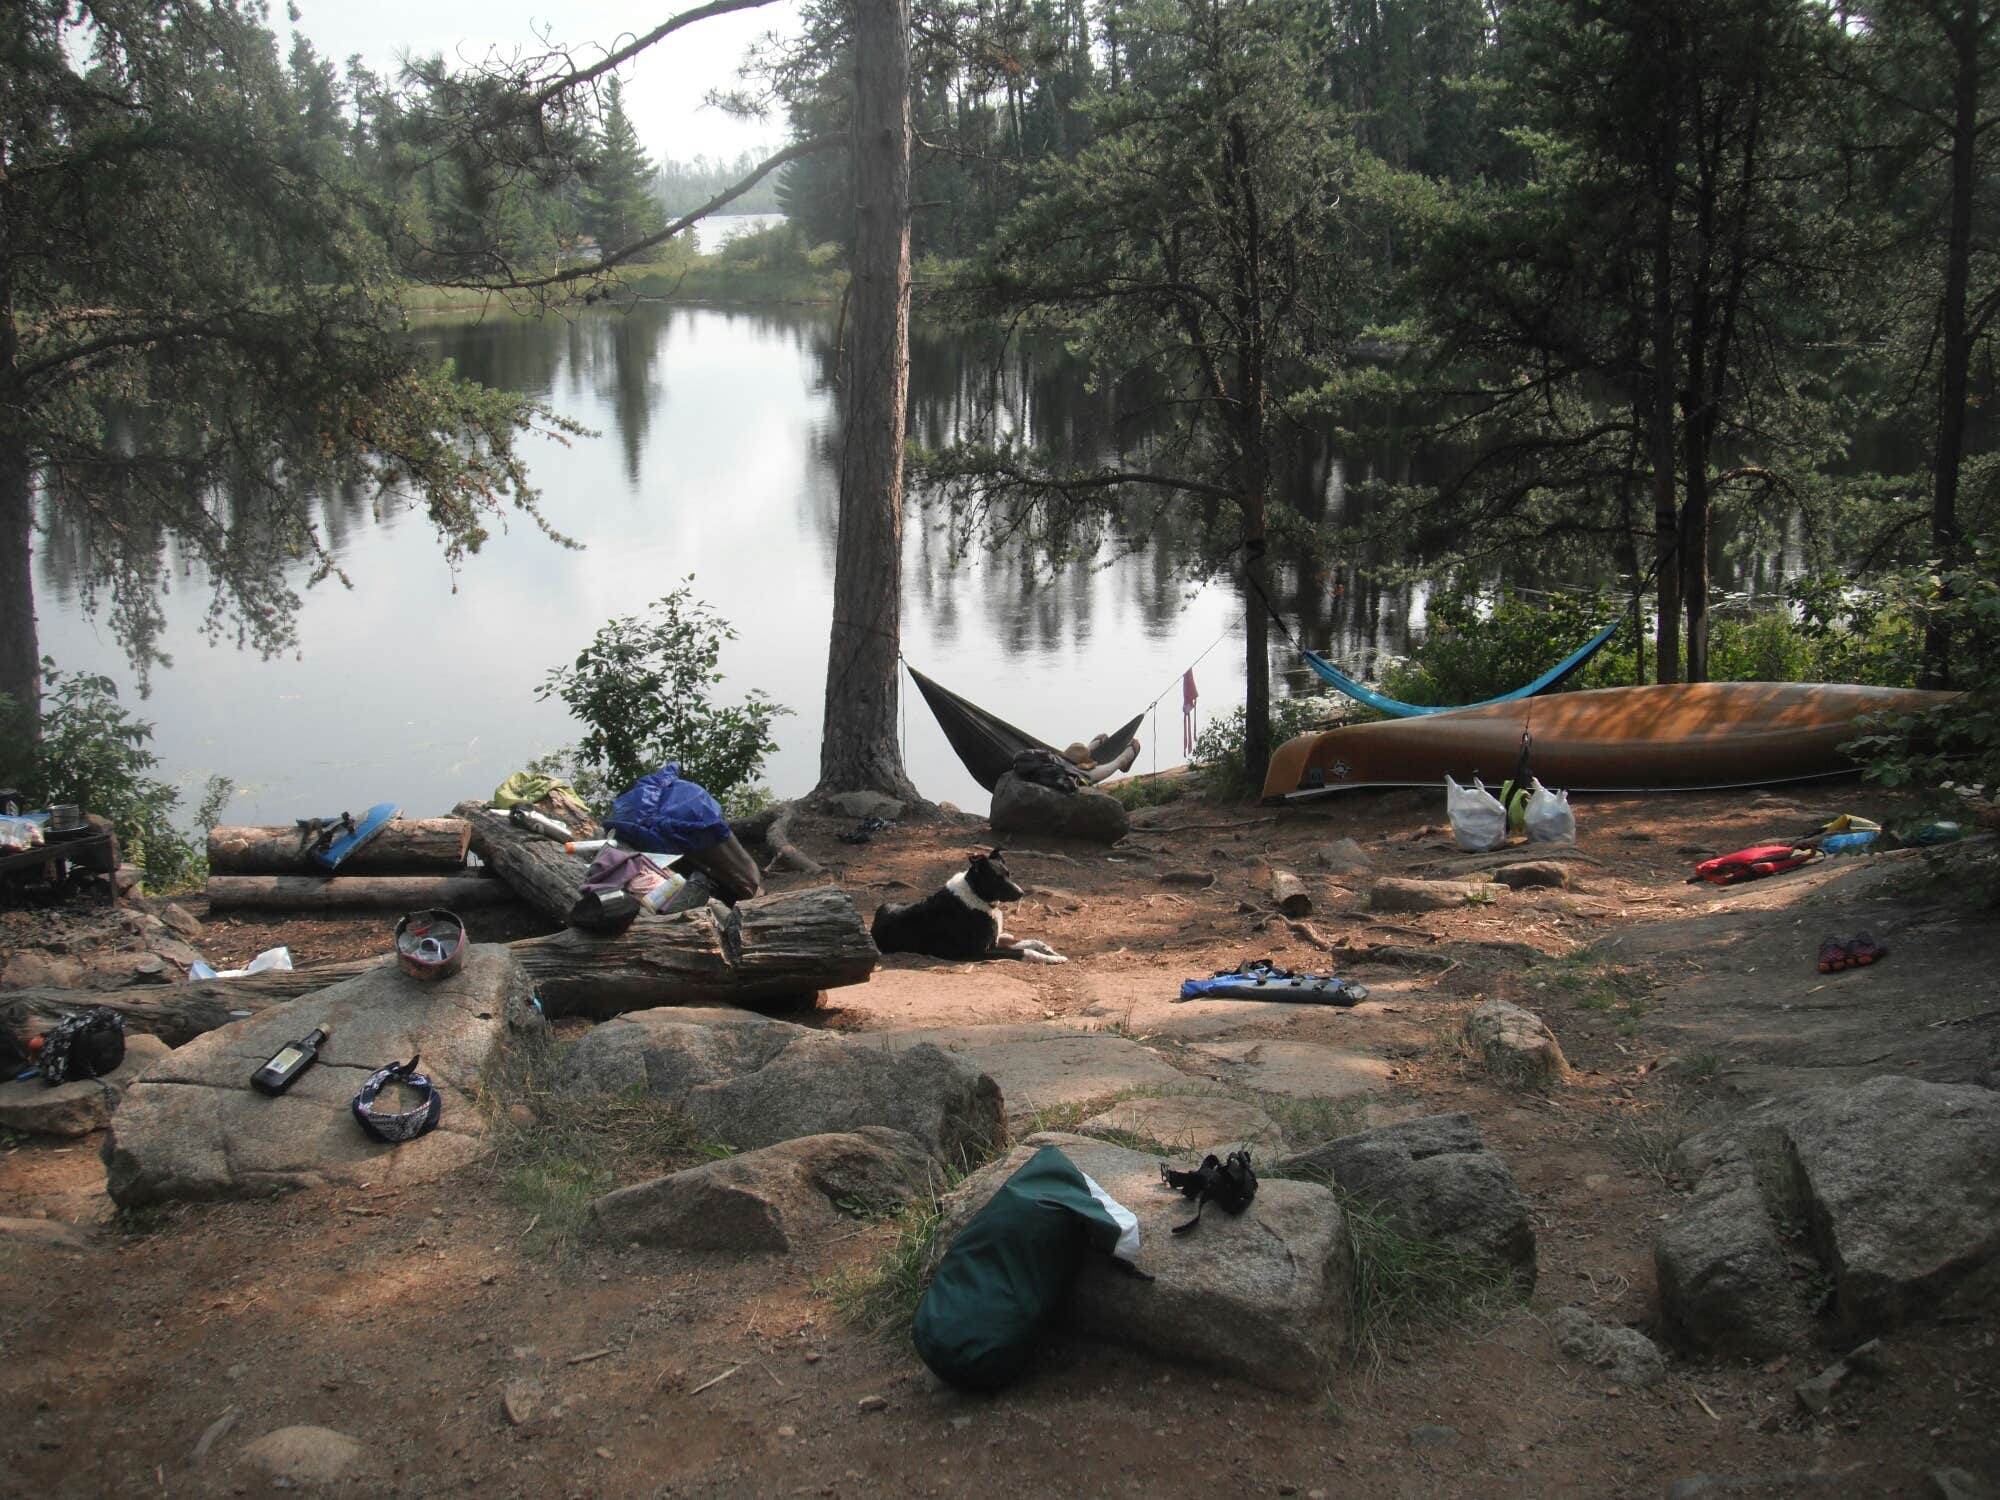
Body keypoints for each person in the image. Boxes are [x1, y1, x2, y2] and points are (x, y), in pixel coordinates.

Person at [1063, 733, 1142, 784]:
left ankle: (1085, 753)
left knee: (1065, 763)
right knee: (1080, 776)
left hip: (1061, 764)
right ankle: (1122, 762)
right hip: (1072, 778)